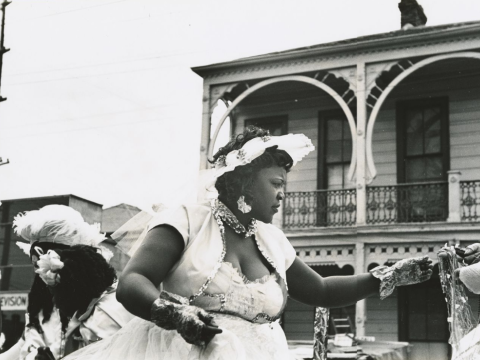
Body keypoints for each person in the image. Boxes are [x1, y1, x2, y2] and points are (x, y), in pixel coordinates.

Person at [63, 126, 433, 360]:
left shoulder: (272, 241)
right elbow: (132, 283)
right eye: (276, 184)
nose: (282, 195)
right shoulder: (187, 220)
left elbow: (320, 289)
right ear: (242, 182)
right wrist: (175, 314)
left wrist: (388, 276)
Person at [0, 205, 133, 360]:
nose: (45, 278)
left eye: (52, 269)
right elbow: (23, 345)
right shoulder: (43, 308)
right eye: (39, 269)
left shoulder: (111, 307)